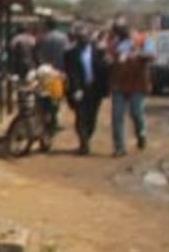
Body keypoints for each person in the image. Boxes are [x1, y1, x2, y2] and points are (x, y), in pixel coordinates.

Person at [105, 20, 155, 155]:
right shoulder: (114, 43)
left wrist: (136, 55)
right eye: (117, 32)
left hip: (138, 84)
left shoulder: (143, 40)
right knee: (117, 116)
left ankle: (141, 133)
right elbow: (108, 58)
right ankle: (119, 147)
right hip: (118, 83)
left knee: (136, 113)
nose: (119, 35)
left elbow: (151, 55)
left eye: (121, 31)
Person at [63, 22, 109, 155]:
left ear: (89, 38)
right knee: (81, 116)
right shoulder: (70, 53)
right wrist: (75, 89)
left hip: (95, 89)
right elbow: (71, 72)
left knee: (92, 117)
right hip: (80, 89)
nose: (83, 40)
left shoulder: (99, 52)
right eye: (80, 38)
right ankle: (84, 143)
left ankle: (87, 136)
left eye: (85, 37)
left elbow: (103, 71)